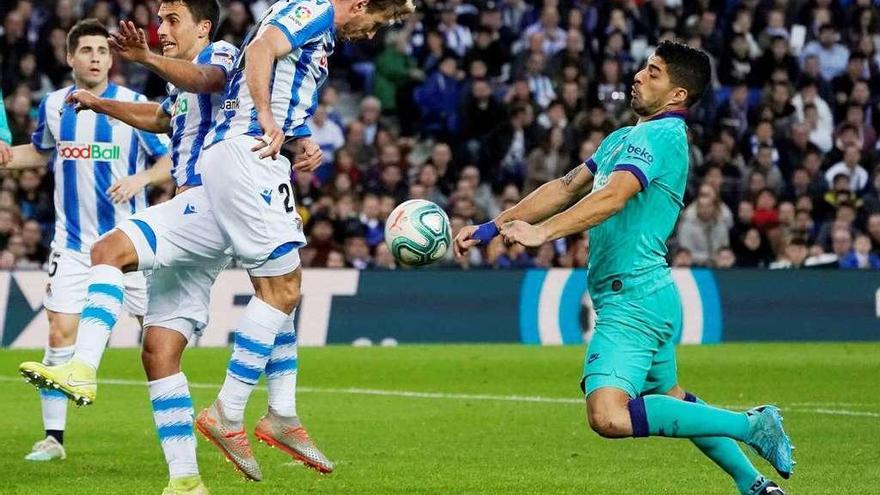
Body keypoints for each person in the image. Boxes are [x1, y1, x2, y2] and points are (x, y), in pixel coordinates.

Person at [20, 0, 416, 484]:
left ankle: (244, 410)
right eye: (161, 21)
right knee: (163, 346)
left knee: (278, 287)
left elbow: (215, 79)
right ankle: (188, 477)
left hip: (215, 193)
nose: (161, 30)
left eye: (172, 21)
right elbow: (168, 115)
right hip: (208, 195)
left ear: (203, 27)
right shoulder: (201, 69)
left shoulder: (225, 53)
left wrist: (287, 129)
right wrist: (103, 103)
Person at [454, 41, 793, 495]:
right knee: (672, 401)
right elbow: (564, 186)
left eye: (654, 72)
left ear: (677, 95)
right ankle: (752, 482)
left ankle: (751, 425)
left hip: (632, 298)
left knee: (608, 416)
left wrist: (542, 234)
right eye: (644, 67)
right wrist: (493, 227)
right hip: (642, 295)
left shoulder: (662, 136)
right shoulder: (622, 138)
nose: (638, 75)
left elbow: (614, 196)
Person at [1, 19, 172, 463]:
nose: (95, 57)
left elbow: (172, 159)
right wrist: (4, 156)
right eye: (87, 50)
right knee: (60, 334)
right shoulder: (55, 105)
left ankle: (175, 434)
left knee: (156, 344)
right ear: (70, 57)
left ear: (111, 59)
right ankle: (53, 439)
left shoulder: (135, 105)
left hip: (130, 246)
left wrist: (142, 177)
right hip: (73, 246)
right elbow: (38, 152)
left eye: (102, 50)